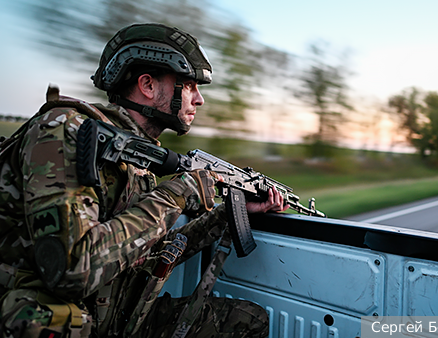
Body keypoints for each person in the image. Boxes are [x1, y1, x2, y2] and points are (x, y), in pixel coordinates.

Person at [0, 23, 287, 338]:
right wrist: (175, 195)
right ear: (148, 85)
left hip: (121, 317)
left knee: (248, 320)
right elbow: (71, 269)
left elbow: (146, 253)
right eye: (189, 85)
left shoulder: (140, 159)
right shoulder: (65, 132)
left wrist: (227, 214)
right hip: (63, 322)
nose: (199, 100)